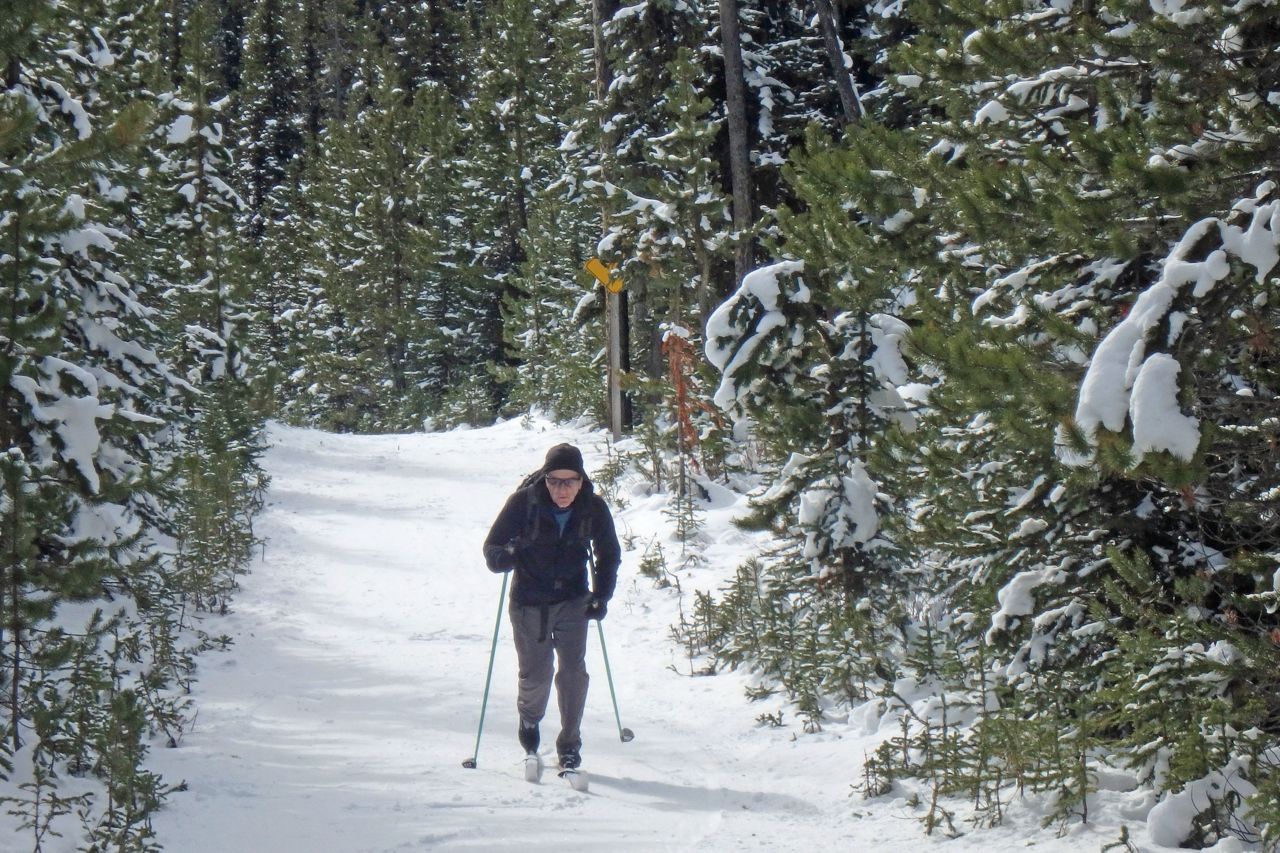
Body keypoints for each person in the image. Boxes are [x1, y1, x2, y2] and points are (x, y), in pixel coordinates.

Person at [482, 443, 621, 772]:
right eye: (554, 481)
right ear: (545, 479)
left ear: (581, 481)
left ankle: (570, 744)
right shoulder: (524, 503)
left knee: (574, 674)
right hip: (530, 602)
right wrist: (505, 557)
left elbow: (609, 553)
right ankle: (529, 720)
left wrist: (602, 595)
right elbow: (492, 547)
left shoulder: (593, 508)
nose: (562, 489)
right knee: (537, 674)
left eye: (569, 481)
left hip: (573, 600)